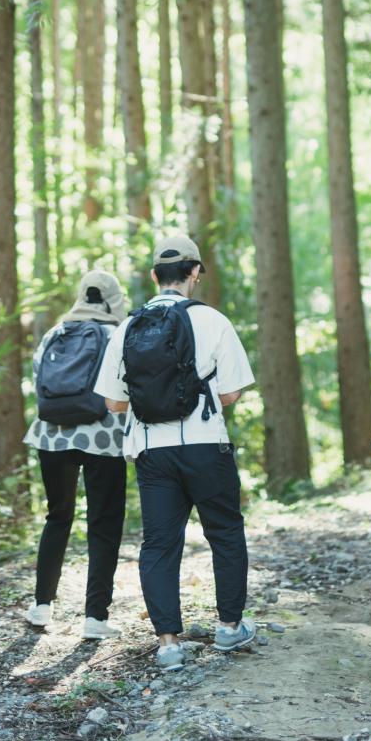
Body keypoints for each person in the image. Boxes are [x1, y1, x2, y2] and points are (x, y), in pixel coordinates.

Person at [95, 234, 256, 669]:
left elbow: (112, 403)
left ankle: (168, 643)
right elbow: (231, 394)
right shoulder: (214, 321)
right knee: (224, 532)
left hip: (151, 450)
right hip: (206, 445)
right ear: (195, 272)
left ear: (153, 276)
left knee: (160, 544)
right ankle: (228, 627)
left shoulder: (128, 326)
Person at [21, 269, 131, 639]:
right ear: (114, 299)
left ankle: (41, 606)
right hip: (103, 437)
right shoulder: (116, 335)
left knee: (58, 517)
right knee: (103, 523)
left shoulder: (56, 333)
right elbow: (126, 388)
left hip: (51, 435)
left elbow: (38, 376)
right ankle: (95, 617)